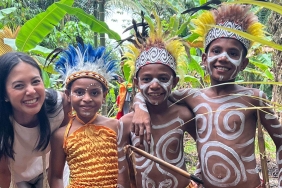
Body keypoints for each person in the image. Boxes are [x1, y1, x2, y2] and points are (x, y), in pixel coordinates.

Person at [130, 4, 282, 188]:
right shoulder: (191, 96)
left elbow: (280, 142)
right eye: (216, 51)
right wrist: (139, 107)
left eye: (233, 53)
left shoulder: (253, 97)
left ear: (243, 63)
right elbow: (155, 95)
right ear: (204, 59)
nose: (223, 57)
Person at [117, 12, 198, 188]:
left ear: (175, 82)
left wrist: (200, 176)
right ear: (137, 83)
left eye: (163, 78)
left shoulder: (183, 114)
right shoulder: (126, 123)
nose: (154, 85)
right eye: (147, 79)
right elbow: (121, 171)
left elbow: (206, 146)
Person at [48, 44, 120, 188]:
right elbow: (55, 176)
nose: (87, 98)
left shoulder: (116, 126)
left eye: (94, 93)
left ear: (104, 96)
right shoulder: (61, 135)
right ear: (68, 95)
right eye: (79, 92)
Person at [0, 52, 70, 188]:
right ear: (4, 95)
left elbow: (63, 151)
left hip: (51, 168)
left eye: (36, 81)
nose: (31, 91)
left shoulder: (59, 107)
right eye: (19, 85)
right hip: (16, 176)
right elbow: (3, 173)